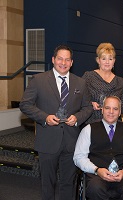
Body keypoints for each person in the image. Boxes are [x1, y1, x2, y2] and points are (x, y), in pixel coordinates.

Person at [19, 45, 93, 200]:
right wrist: (45, 117)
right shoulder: (38, 80)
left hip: (71, 141)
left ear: (72, 62)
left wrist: (77, 118)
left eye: (67, 59)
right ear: (53, 60)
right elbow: (25, 105)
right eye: (60, 58)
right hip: (48, 140)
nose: (63, 62)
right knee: (48, 183)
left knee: (68, 183)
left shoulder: (80, 83)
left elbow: (87, 108)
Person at [73, 96, 123, 200]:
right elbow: (79, 157)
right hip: (97, 174)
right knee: (95, 188)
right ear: (102, 110)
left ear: (120, 113)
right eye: (107, 108)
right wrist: (97, 170)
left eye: (115, 109)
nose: (111, 112)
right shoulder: (88, 129)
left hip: (122, 174)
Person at [82, 42, 123, 124]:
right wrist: (90, 104)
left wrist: (114, 108)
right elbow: (79, 99)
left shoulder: (120, 81)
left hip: (114, 126)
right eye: (104, 59)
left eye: (110, 59)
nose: (107, 62)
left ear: (114, 61)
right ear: (98, 60)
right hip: (92, 123)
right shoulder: (88, 77)